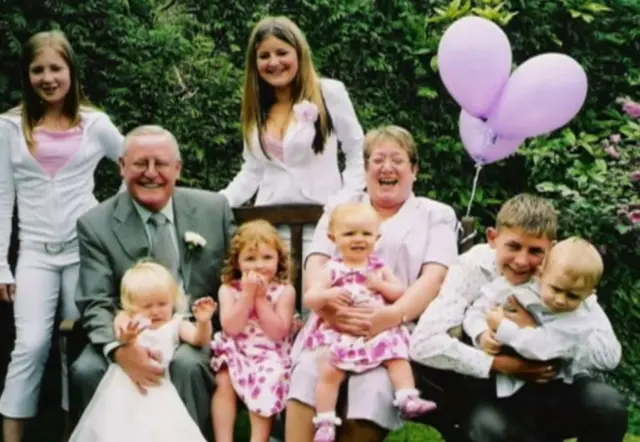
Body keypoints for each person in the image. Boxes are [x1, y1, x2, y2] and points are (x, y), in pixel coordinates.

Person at [285, 125, 459, 442]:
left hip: (393, 330)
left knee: (373, 387)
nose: (387, 167)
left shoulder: (436, 215)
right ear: (365, 170)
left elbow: (434, 277)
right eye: (378, 160)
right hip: (331, 322)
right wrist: (328, 308)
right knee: (309, 372)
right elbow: (316, 261)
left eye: (398, 160)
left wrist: (389, 317)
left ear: (414, 170)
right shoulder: (342, 208)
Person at [410, 193, 627, 442]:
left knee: (606, 404)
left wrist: (545, 338)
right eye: (513, 246)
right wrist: (496, 361)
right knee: (488, 430)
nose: (522, 261)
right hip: (490, 388)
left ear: (551, 249)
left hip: (553, 386)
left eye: (535, 251)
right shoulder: (471, 268)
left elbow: (609, 354)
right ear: (493, 238)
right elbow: (423, 344)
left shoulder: (567, 274)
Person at [70, 125, 236, 439]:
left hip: (193, 330)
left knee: (187, 364)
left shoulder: (213, 209)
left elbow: (236, 276)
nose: (150, 173)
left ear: (177, 169)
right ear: (122, 167)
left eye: (160, 164)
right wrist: (120, 350)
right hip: (130, 328)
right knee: (88, 369)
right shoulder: (96, 225)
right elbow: (96, 301)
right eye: (139, 164)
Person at [0, 30, 124, 442]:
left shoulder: (95, 123)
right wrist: (2, 263)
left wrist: (111, 220)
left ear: (71, 70)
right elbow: (2, 199)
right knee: (31, 345)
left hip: (83, 252)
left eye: (56, 68)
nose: (48, 77)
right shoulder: (9, 127)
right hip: (34, 253)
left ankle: (83, 431)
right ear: (27, 74)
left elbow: (135, 163)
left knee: (83, 343)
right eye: (38, 69)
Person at [220, 15, 365, 270]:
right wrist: (216, 204)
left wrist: (344, 201)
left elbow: (357, 151)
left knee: (313, 301)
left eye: (281, 53)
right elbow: (252, 170)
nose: (274, 62)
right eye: (264, 56)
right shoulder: (254, 107)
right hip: (268, 230)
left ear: (299, 53)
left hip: (321, 223)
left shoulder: (328, 93)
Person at [302, 202, 437, 442]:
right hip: (341, 331)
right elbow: (310, 298)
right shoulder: (332, 269)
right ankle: (325, 421)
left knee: (397, 356)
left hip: (374, 331)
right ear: (333, 238)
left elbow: (399, 292)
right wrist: (328, 295)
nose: (359, 239)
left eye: (366, 234)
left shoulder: (378, 267)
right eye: (350, 233)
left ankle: (407, 397)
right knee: (329, 371)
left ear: (377, 237)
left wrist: (381, 285)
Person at [69, 260, 217, 442]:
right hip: (121, 389)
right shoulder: (128, 321)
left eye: (162, 304)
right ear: (131, 306)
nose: (156, 311)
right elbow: (120, 341)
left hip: (159, 389)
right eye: (147, 306)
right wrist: (128, 338)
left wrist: (203, 321)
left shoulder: (175, 324)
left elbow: (198, 339)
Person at [463, 236, 607, 400]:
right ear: (541, 273)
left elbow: (542, 347)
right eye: (555, 289)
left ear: (589, 295)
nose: (560, 300)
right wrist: (481, 334)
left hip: (550, 388)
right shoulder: (518, 286)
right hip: (504, 383)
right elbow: (476, 310)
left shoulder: (578, 321)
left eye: (572, 296)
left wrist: (503, 327)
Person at [211, 219, 296, 442]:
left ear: (279, 259)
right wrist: (247, 295)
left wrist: (260, 299)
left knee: (269, 377)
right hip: (236, 348)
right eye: (250, 259)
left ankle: (259, 439)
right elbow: (230, 327)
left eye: (267, 257)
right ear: (237, 264)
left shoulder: (285, 291)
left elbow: (278, 332)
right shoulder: (228, 290)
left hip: (270, 352)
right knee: (223, 380)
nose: (259, 265)